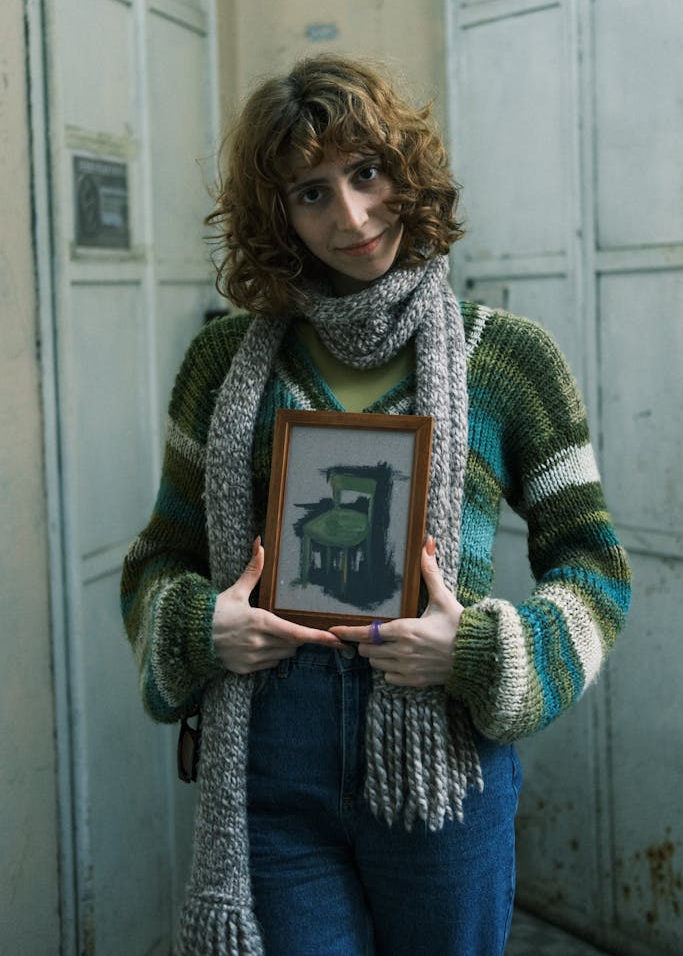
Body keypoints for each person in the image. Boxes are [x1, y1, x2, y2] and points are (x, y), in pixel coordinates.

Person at [121, 55, 631, 956]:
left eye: (366, 172)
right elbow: (159, 557)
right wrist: (202, 627)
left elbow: (595, 569)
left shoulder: (507, 360)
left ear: (407, 170)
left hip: (444, 774)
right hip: (272, 766)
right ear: (277, 215)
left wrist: (482, 649)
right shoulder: (222, 365)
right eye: (312, 192)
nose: (350, 215)